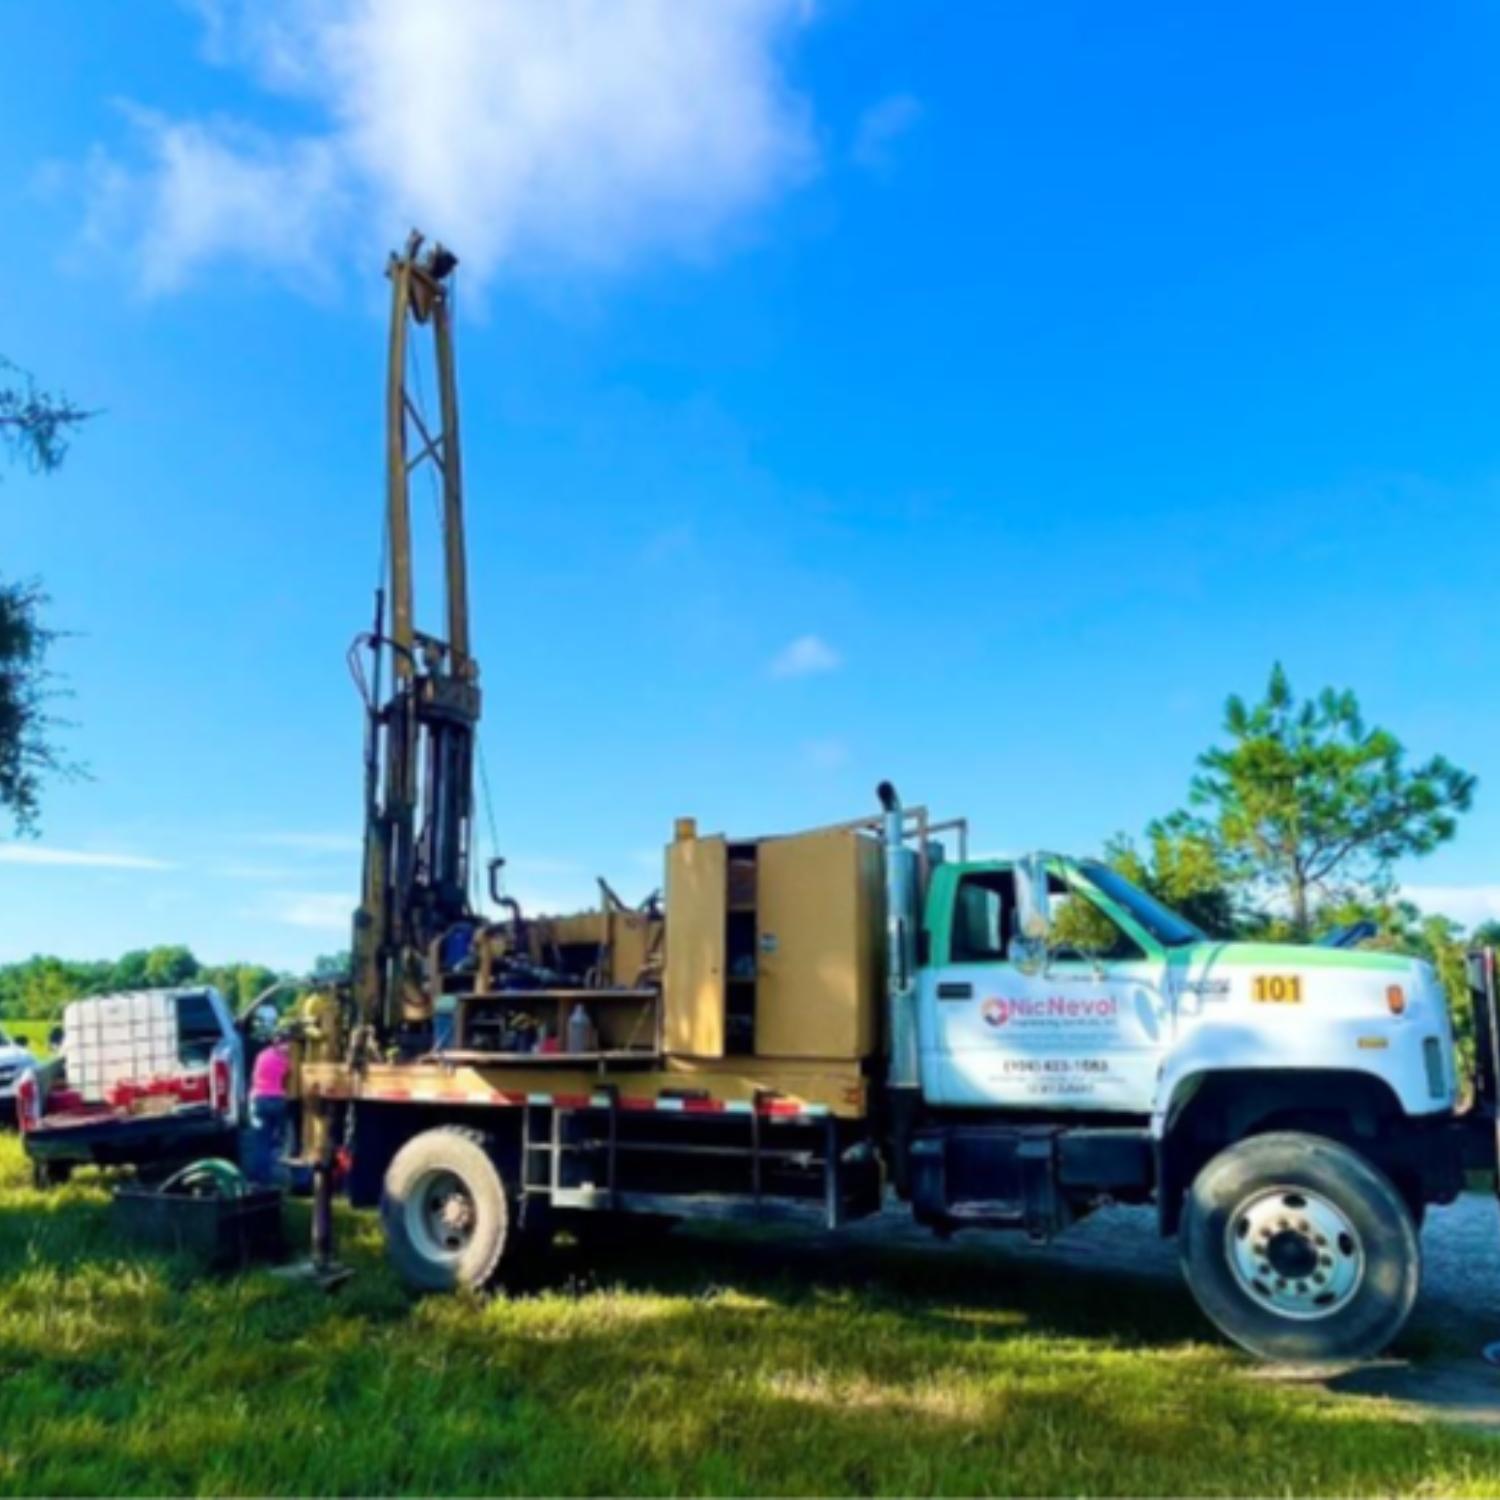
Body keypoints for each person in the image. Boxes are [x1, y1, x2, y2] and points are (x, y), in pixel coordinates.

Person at [245, 1033, 292, 1185]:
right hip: (278, 1099)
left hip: (259, 1098)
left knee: (260, 1141)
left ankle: (260, 1177)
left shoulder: (262, 1055)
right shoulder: (287, 1059)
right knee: (277, 1139)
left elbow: (254, 1077)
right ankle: (276, 1173)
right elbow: (288, 1077)